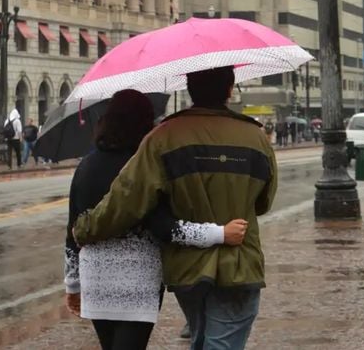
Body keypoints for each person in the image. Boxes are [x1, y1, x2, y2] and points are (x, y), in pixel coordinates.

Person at [74, 66, 278, 349]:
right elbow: (264, 202)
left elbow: (128, 198)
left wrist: (86, 228)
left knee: (202, 338)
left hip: (187, 266)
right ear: (230, 89)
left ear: (189, 87)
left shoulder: (163, 137)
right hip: (239, 263)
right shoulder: (256, 137)